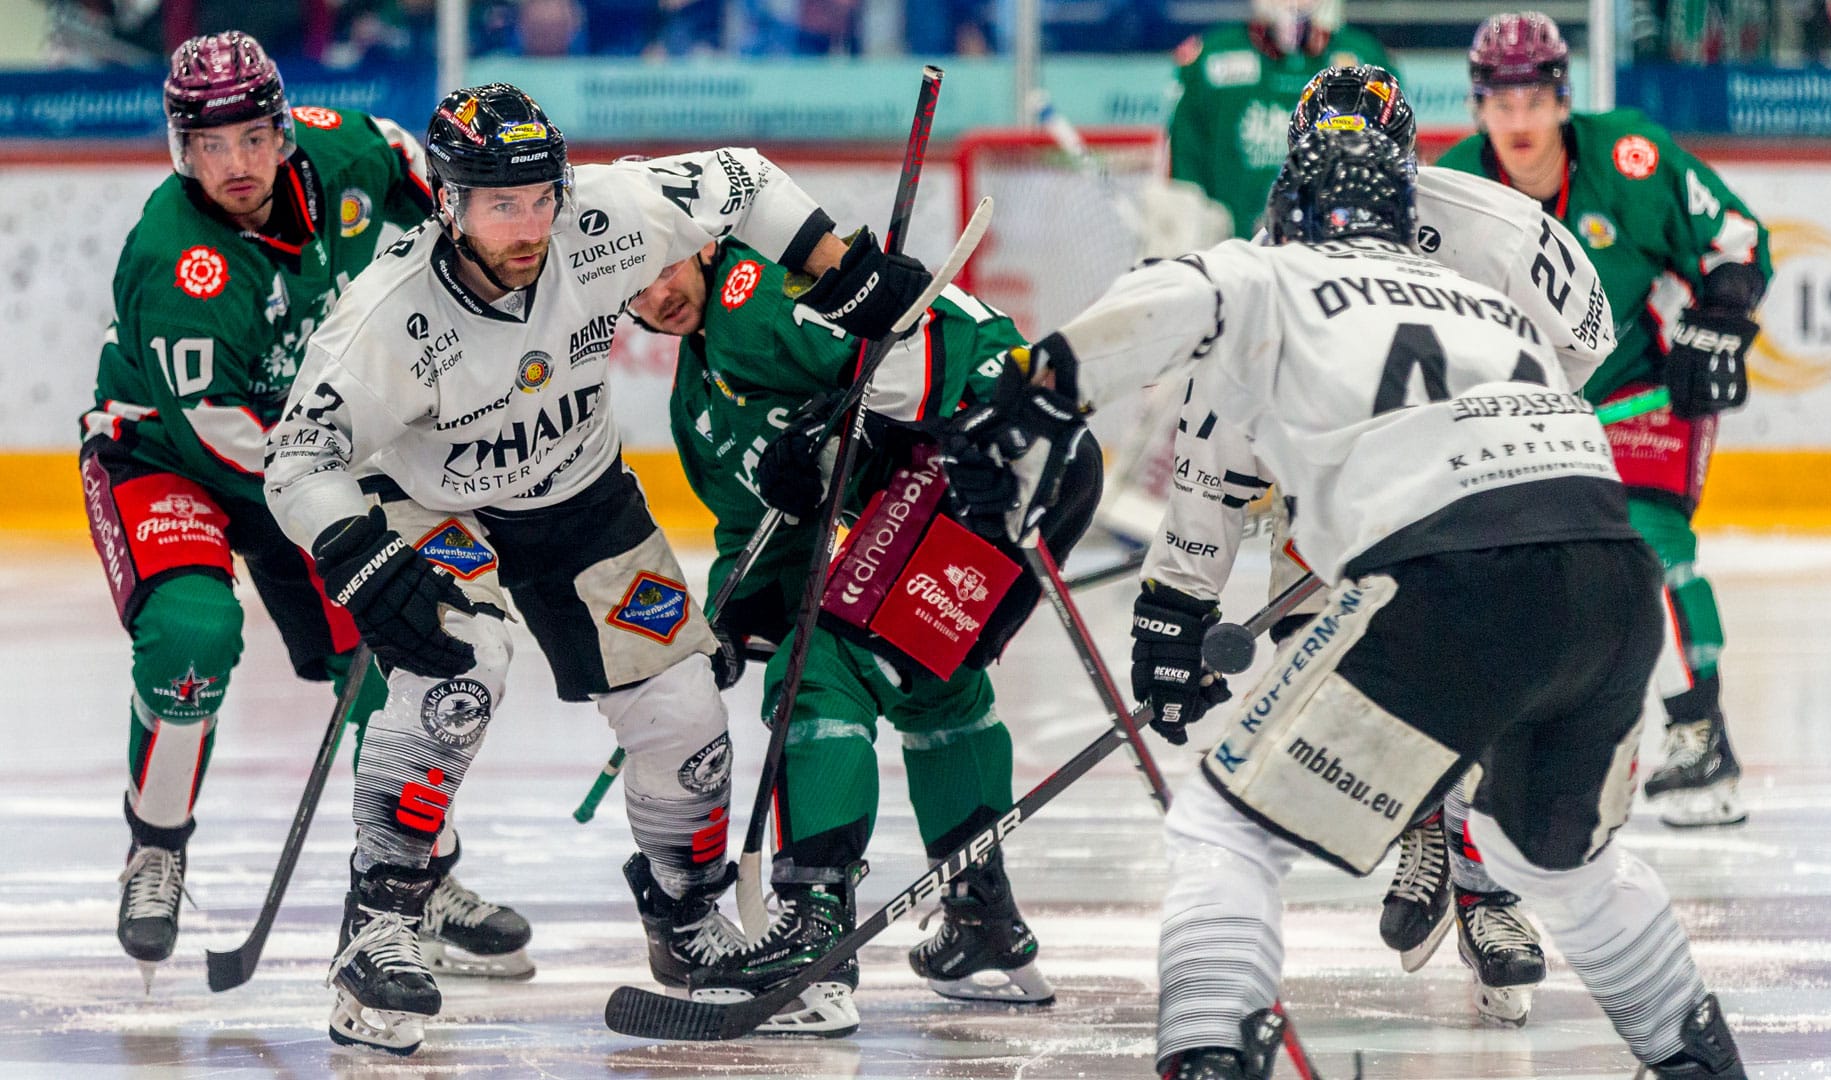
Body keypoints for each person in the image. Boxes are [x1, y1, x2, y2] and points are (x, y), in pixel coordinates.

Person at [941, 126, 1747, 1079]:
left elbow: (1171, 311)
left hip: (1455, 577)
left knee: (1223, 827)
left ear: (1290, 213)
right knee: (1554, 861)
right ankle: (1693, 1054)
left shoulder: (1268, 276)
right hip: (1612, 575)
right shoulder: (1490, 298)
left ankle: (1205, 1053)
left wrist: (1030, 403)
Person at [261, 82, 934, 1054]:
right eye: (501, 203)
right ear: (447, 201)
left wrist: (839, 266)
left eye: (542, 195)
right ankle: (380, 927)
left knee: (685, 714)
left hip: (579, 498)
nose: (531, 223)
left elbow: (741, 182)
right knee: (459, 669)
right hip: (431, 502)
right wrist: (358, 556)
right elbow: (295, 459)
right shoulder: (386, 321)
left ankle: (688, 924)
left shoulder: (604, 216)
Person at [1132, 64, 1617, 1025]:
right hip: (1333, 497)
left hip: (1473, 484)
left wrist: (1494, 432)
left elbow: (1582, 346)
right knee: (1350, 693)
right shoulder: (1270, 260)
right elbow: (1218, 440)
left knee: (1489, 666)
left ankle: (1482, 879)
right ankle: (1425, 818)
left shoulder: (1499, 233)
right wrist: (1179, 596)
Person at [81, 31, 529, 992]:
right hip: (167, 459)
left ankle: (419, 877)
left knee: (400, 656)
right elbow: (221, 432)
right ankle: (156, 848)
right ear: (180, 149)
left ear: (282, 129)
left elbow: (429, 180)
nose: (234, 165)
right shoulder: (177, 256)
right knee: (191, 632)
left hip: (309, 455)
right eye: (210, 146)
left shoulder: (350, 154)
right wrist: (352, 490)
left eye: (250, 137)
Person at [632, 236, 1091, 1034]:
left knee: (821, 669)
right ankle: (982, 917)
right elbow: (759, 527)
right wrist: (740, 617)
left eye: (663, 270)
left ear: (702, 246)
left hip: (997, 460)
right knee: (930, 684)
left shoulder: (755, 295)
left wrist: (858, 427)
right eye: (632, 292)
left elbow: (936, 333)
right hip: (971, 480)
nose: (655, 298)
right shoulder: (695, 397)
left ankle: (815, 936)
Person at [1437, 11, 1772, 829]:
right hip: (1528, 408)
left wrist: (1720, 318)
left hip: (1642, 390)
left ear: (1562, 98)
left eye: (1534, 99)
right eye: (1500, 102)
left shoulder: (1631, 156)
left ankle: (1701, 735)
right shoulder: (1450, 191)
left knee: (1651, 547)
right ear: (1478, 105)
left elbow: (1736, 238)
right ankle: (1531, 743)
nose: (1519, 121)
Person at [1168, 0, 1394, 239]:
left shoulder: (1365, 59)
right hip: (1232, 256)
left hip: (1337, 254)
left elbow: (1393, 171)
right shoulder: (1210, 60)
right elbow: (1184, 184)